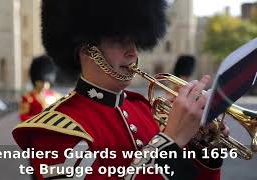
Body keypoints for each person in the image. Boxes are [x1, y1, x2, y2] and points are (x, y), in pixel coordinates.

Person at [13, 0, 228, 179]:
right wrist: (170, 142)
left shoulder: (144, 109)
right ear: (87, 49)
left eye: (135, 40)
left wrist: (203, 147)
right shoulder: (56, 131)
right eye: (119, 40)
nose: (133, 52)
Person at [19, 55, 60, 121]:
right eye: (41, 82)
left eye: (47, 82)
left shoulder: (55, 96)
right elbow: (23, 117)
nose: (44, 85)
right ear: (36, 81)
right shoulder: (28, 98)